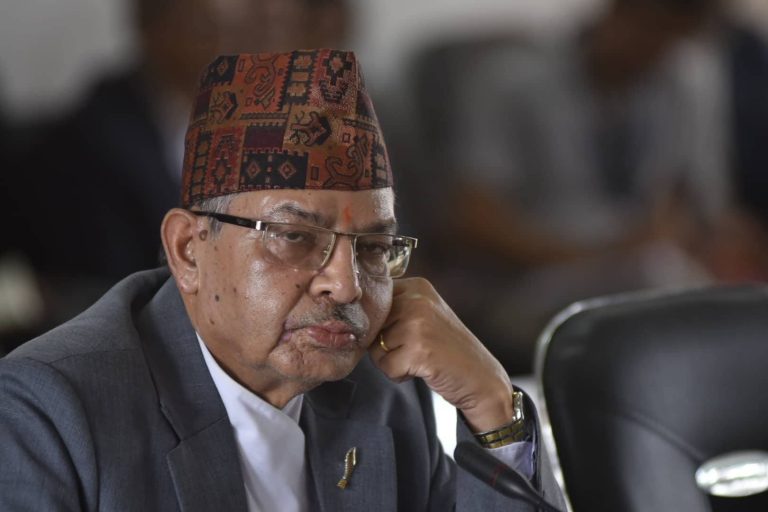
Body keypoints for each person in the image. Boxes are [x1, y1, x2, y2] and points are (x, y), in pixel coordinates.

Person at [0, 50, 565, 511]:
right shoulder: (47, 412)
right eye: (294, 237)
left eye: (372, 248)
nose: (346, 286)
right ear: (188, 249)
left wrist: (493, 404)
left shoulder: (383, 389)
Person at [415, 0, 768, 373]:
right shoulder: (512, 80)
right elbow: (470, 218)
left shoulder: (684, 78)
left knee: (720, 304)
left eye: (674, 39)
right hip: (532, 281)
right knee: (655, 278)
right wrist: (598, 254)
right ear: (617, 11)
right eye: (652, 29)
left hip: (645, 270)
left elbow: (705, 209)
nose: (657, 50)